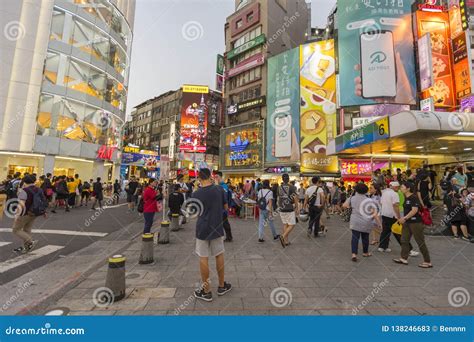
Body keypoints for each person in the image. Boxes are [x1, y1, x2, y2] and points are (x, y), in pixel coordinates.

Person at [192, 168, 232, 302]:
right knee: (219, 254)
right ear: (210, 176)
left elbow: (194, 213)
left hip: (202, 229)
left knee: (203, 257)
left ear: (199, 178)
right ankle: (221, 286)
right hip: (217, 228)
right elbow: (226, 208)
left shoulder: (196, 194)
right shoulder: (219, 190)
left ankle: (207, 291)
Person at [393, 182, 432, 268]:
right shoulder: (405, 197)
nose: (400, 188)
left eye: (402, 187)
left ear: (408, 189)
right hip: (407, 222)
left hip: (415, 223)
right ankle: (403, 258)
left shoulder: (413, 198)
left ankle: (427, 261)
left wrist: (404, 218)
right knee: (404, 240)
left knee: (420, 241)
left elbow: (414, 210)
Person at [343, 183, 380, 262]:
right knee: (365, 237)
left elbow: (344, 205)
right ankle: (365, 252)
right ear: (366, 191)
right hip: (366, 222)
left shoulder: (352, 198)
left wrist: (350, 205)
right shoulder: (369, 200)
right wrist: (379, 223)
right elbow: (374, 213)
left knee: (354, 238)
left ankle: (354, 254)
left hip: (355, 221)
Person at [12, 175, 46, 253]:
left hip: (25, 213)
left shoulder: (24, 190)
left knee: (16, 230)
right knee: (27, 230)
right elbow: (43, 200)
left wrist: (17, 215)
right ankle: (26, 248)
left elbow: (21, 204)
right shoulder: (39, 189)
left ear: (24, 182)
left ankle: (30, 241)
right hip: (35, 213)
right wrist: (43, 211)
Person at [277, 173, 298, 247]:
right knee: (292, 224)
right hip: (289, 208)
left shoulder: (279, 187)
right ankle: (283, 236)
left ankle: (286, 241)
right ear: (288, 179)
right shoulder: (292, 187)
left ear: (282, 179)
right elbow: (295, 198)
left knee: (285, 224)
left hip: (281, 208)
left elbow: (279, 197)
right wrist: (297, 208)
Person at [215, 171, 233, 242]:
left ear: (221, 177)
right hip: (218, 208)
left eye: (217, 177)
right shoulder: (219, 185)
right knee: (223, 223)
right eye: (215, 177)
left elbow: (224, 197)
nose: (216, 179)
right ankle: (228, 236)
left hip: (222, 208)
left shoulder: (223, 186)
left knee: (224, 223)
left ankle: (228, 237)